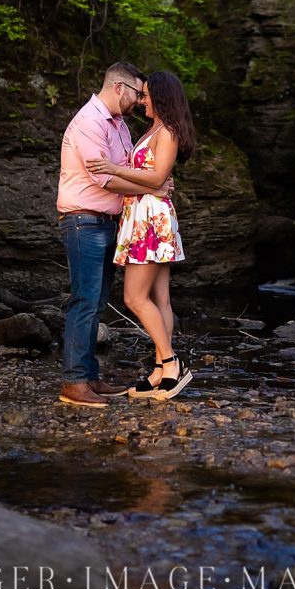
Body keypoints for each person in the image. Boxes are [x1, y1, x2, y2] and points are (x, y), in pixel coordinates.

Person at [55, 62, 167, 408]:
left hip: (108, 223)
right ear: (119, 87)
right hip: (83, 222)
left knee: (98, 303)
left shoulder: (118, 126)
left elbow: (132, 171)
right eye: (137, 93)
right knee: (84, 301)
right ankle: (74, 383)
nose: (139, 101)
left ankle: (88, 377)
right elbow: (104, 179)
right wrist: (155, 187)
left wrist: (154, 182)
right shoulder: (89, 122)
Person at [87, 70, 198, 400]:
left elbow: (156, 177)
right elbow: (156, 180)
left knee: (134, 297)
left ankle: (171, 363)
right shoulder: (155, 129)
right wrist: (153, 182)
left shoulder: (169, 131)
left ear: (162, 97)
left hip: (151, 219)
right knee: (160, 299)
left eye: (147, 95)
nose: (142, 99)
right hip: (144, 214)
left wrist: (114, 168)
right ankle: (161, 370)